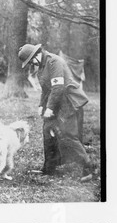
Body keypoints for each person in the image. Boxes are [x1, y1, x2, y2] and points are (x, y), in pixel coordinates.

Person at [18, 43, 94, 182]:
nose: (30, 64)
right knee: (47, 130)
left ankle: (88, 168)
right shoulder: (41, 66)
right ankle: (49, 168)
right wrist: (41, 105)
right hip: (57, 102)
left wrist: (50, 108)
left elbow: (58, 88)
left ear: (35, 55)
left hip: (68, 103)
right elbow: (46, 89)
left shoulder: (54, 62)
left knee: (68, 136)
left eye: (30, 61)